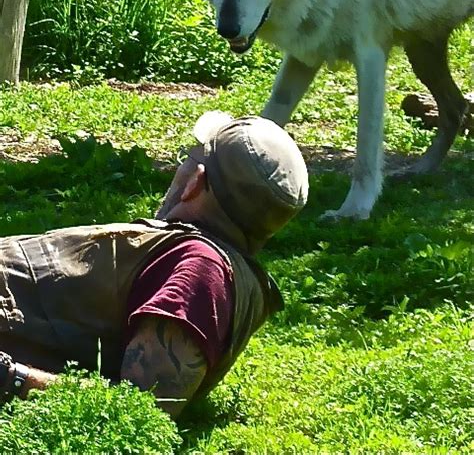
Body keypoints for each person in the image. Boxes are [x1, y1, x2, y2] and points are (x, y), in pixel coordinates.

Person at [0, 112, 308, 417]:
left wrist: (11, 378)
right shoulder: (200, 255)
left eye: (187, 158)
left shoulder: (203, 270)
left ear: (195, 182)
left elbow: (141, 410)